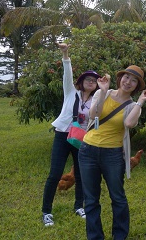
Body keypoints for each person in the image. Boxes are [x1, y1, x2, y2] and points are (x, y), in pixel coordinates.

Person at [79, 65, 146, 240]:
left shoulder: (134, 105)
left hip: (112, 155)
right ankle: (95, 237)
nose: (128, 82)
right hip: (88, 151)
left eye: (134, 80)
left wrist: (141, 101)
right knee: (90, 199)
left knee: (117, 197)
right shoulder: (101, 93)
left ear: (137, 86)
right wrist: (103, 91)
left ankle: (119, 236)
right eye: (126, 77)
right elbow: (92, 114)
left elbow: (128, 123)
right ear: (120, 78)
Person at [42, 42, 100, 227]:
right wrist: (65, 54)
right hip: (63, 136)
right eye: (88, 79)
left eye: (94, 80)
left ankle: (79, 206)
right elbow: (67, 74)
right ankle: (46, 211)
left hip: (82, 139)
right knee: (55, 174)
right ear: (81, 82)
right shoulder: (71, 93)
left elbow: (97, 121)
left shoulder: (96, 100)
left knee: (81, 174)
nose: (91, 82)